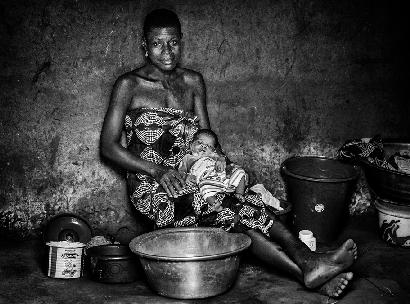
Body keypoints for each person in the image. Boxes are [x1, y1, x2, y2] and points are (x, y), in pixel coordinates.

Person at [100, 8, 357, 298]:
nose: (166, 51)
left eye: (173, 42)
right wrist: (158, 171)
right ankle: (307, 264)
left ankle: (309, 267)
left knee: (245, 201)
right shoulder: (129, 86)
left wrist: (228, 170)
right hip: (154, 187)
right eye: (157, 44)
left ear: (181, 41)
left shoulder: (193, 83)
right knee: (229, 208)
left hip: (195, 176)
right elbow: (108, 146)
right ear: (145, 46)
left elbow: (208, 141)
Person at [177, 128, 248, 211]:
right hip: (208, 181)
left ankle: (239, 193)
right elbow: (181, 171)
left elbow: (222, 158)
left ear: (213, 150)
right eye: (200, 142)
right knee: (203, 187)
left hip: (223, 178)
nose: (204, 147)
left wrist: (221, 160)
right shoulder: (187, 158)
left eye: (209, 146)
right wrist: (186, 177)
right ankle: (215, 204)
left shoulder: (213, 155)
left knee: (239, 171)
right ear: (191, 144)